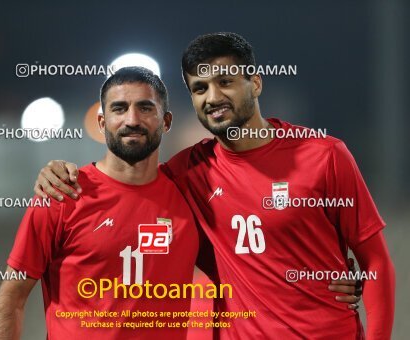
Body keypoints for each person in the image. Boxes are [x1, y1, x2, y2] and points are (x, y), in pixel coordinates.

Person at [35, 32, 395, 339]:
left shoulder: (325, 156)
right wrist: (61, 172)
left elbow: (375, 260)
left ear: (254, 82)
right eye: (200, 88)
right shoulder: (187, 173)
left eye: (225, 82)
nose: (212, 97)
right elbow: (123, 185)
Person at [0, 67, 200, 340]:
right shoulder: (61, 193)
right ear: (102, 123)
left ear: (166, 121)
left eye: (146, 108)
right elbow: (11, 297)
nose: (132, 119)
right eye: (119, 108)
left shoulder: (190, 194)